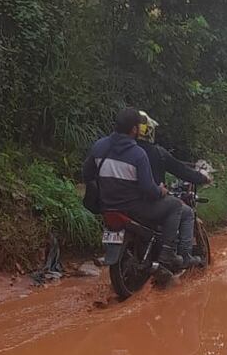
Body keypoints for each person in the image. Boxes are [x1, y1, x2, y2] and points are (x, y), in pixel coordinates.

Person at [82, 108, 187, 270]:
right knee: (175, 206)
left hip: (106, 206)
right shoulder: (138, 154)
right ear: (134, 129)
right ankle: (168, 253)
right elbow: (148, 189)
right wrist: (161, 190)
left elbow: (86, 174)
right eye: (138, 126)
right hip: (133, 208)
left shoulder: (99, 146)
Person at [136, 111, 211, 267]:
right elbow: (181, 170)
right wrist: (202, 178)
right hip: (150, 201)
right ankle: (182, 255)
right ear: (148, 130)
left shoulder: (125, 150)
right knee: (186, 212)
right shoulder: (157, 152)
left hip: (125, 202)